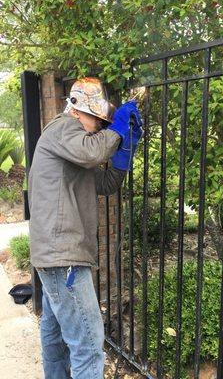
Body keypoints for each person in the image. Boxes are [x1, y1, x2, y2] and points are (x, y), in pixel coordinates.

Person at [28, 77, 142, 379]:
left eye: (103, 121)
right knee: (89, 345)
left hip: (56, 255)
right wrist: (117, 131)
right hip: (62, 257)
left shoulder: (74, 149)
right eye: (98, 118)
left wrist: (123, 153)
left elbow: (105, 183)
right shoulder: (64, 128)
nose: (99, 125)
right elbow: (92, 153)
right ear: (77, 108)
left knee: (55, 337)